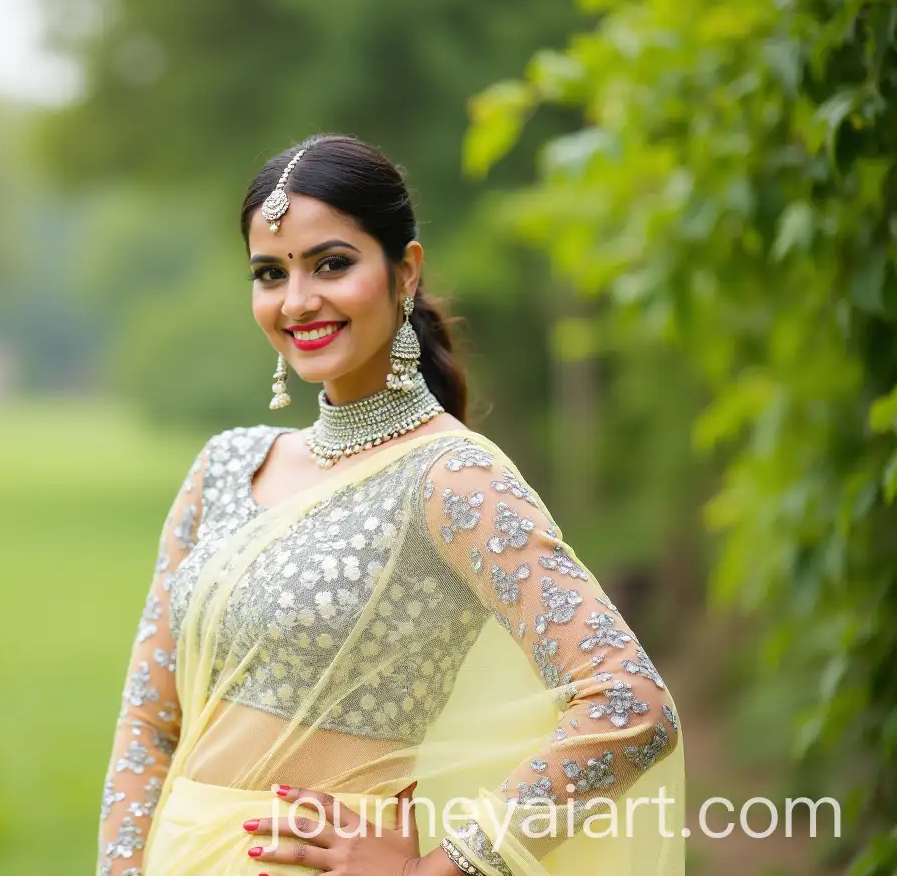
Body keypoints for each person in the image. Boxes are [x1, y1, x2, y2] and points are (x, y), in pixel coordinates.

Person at [96, 134, 685, 876]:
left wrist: (440, 869)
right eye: (270, 273)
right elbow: (150, 725)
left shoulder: (452, 478)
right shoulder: (224, 466)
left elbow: (630, 706)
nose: (298, 300)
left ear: (404, 272)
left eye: (332, 264)